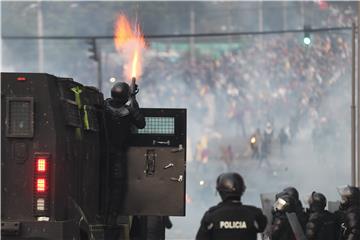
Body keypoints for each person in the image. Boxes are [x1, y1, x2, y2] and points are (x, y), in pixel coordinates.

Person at [104, 81, 146, 238]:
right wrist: (133, 99)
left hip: (104, 153)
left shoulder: (104, 106)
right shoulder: (128, 111)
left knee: (107, 186)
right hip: (119, 154)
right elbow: (141, 123)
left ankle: (107, 216)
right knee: (117, 189)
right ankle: (112, 220)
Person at [196, 172, 267, 240]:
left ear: (220, 191)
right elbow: (266, 229)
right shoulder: (255, 214)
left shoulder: (210, 216)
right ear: (242, 190)